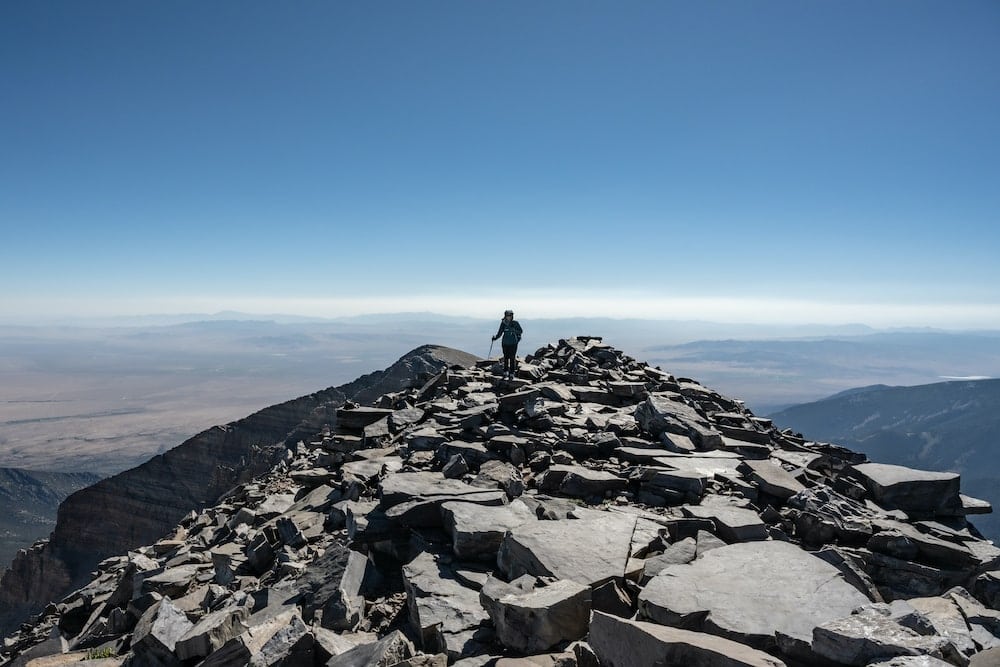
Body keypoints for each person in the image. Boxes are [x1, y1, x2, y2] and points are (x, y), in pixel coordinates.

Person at [492, 309, 523, 379]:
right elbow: (500, 333)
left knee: (512, 357)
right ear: (505, 316)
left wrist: (513, 330)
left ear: (512, 316)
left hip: (513, 343)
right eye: (508, 315)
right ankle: (505, 371)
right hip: (505, 343)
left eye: (510, 315)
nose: (509, 317)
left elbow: (520, 331)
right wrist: (495, 338)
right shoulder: (503, 323)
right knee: (506, 357)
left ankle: (511, 372)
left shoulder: (515, 323)